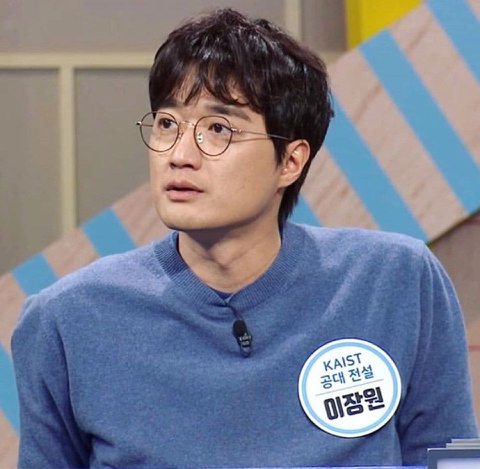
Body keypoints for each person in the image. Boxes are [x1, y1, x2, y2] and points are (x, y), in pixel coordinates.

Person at [12, 8, 477, 469]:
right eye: (168, 123)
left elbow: (452, 454)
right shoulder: (68, 320)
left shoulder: (395, 281)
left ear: (291, 161)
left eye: (218, 129)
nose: (179, 154)